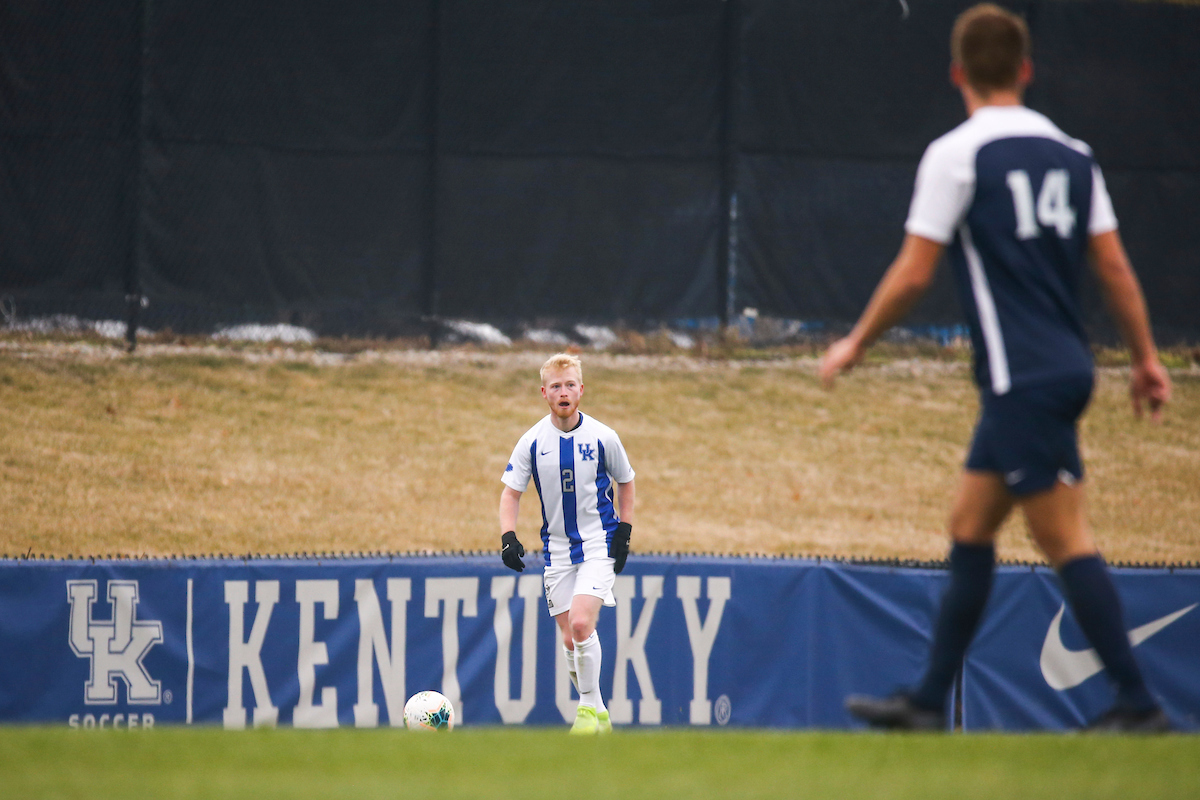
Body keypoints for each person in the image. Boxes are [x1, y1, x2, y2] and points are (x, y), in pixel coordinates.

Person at [820, 3, 1172, 732]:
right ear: (1026, 71)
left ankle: (1140, 704)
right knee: (970, 523)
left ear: (957, 74)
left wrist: (856, 342)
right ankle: (925, 702)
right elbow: (1113, 265)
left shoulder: (959, 153)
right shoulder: (1074, 154)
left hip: (1022, 378)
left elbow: (916, 273)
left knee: (1064, 536)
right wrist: (1143, 359)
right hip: (1064, 368)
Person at [498, 353, 636, 734]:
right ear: (544, 393)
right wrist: (508, 537)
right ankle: (600, 712)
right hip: (557, 550)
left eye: (570, 384)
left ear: (581, 390)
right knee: (569, 639)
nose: (564, 392)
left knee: (579, 624)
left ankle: (587, 711)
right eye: (556, 386)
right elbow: (510, 494)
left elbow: (626, 481)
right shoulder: (531, 442)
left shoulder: (603, 437)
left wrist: (624, 531)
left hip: (598, 543)